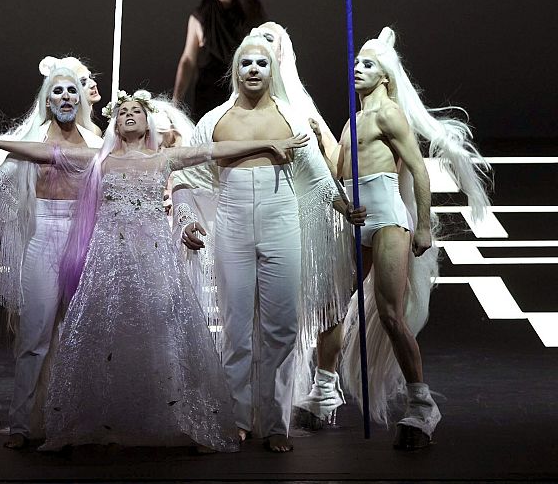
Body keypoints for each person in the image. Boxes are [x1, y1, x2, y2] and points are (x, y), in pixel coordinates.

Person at [0, 90, 310, 452]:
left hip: (154, 259)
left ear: (148, 123)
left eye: (137, 111)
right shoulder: (101, 159)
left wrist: (270, 143)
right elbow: (46, 152)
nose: (129, 115)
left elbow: (216, 150)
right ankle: (106, 417)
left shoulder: (164, 159)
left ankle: (164, 417)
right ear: (115, 124)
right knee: (106, 338)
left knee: (160, 336)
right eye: (123, 112)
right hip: (108, 261)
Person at [173, 35, 364, 452]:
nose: (254, 69)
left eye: (261, 62)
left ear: (272, 69)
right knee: (236, 325)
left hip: (281, 221)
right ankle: (237, 418)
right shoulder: (214, 120)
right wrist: (187, 219)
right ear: (236, 71)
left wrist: (344, 206)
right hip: (232, 221)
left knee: (282, 326)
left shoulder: (291, 118)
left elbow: (316, 176)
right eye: (246, 63)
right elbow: (186, 175)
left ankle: (276, 423)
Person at [338, 27, 490, 449]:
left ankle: (422, 404)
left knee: (390, 314)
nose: (357, 68)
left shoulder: (388, 114)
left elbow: (419, 170)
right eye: (356, 62)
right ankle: (322, 389)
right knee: (335, 309)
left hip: (388, 220)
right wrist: (342, 207)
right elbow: (336, 179)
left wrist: (423, 225)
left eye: (368, 64)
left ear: (385, 76)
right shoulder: (351, 122)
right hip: (357, 223)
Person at [0, 59, 102, 449]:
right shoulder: (31, 138)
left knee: (79, 335)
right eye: (57, 91)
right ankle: (21, 426)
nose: (65, 97)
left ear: (80, 98)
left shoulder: (95, 143)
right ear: (47, 100)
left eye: (71, 91)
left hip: (84, 241)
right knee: (34, 336)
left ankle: (75, 422)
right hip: (43, 238)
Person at [246, 23, 354, 432]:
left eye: (271, 39)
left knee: (326, 302)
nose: (262, 46)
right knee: (267, 308)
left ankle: (325, 386)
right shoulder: (241, 107)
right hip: (268, 214)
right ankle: (263, 391)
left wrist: (319, 139)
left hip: (311, 213)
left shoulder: (301, 106)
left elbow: (334, 165)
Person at [173, 0, 266, 120]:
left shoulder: (252, 14)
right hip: (208, 93)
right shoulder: (200, 16)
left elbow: (265, 53)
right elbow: (188, 59)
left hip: (243, 92)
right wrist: (176, 102)